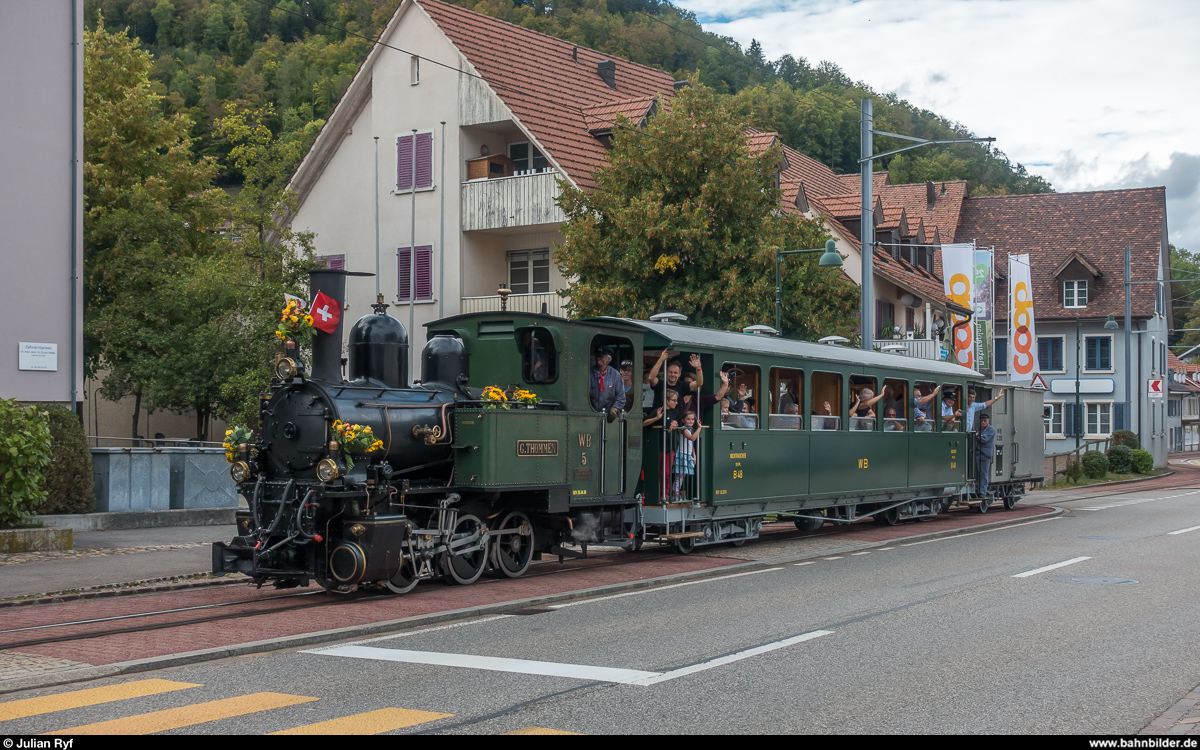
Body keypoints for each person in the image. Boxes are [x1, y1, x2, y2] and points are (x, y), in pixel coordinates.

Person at [672, 410, 701, 499]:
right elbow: (692, 438)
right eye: (688, 419)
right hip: (682, 454)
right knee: (680, 475)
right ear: (683, 420)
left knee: (682, 475)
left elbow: (690, 444)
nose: (691, 421)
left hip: (687, 454)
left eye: (692, 419)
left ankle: (677, 491)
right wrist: (699, 428)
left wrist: (694, 455)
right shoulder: (682, 429)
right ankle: (675, 492)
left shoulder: (690, 429)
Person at [589, 345, 625, 416]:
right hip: (591, 414)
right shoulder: (589, 373)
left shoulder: (615, 375)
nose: (598, 358)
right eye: (597, 355)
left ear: (609, 359)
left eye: (601, 356)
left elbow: (621, 396)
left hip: (608, 415)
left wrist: (614, 408)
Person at [975, 413, 996, 496]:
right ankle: (977, 490)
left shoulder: (991, 429)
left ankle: (982, 491)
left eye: (985, 421)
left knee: (983, 473)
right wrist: (978, 435)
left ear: (988, 421)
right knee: (977, 473)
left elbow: (984, 439)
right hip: (977, 453)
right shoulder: (977, 428)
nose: (983, 422)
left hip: (985, 454)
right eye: (981, 421)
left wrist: (977, 435)